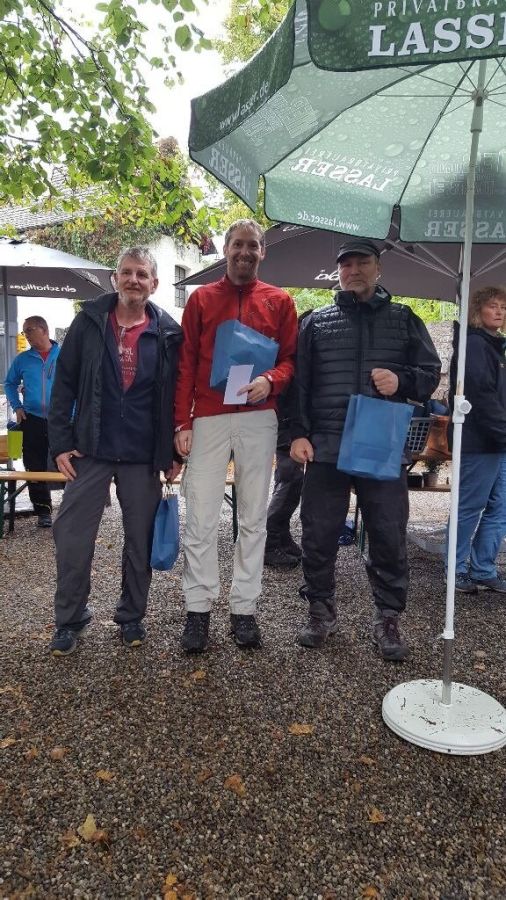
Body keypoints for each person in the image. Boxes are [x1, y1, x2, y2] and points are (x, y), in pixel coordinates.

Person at [290, 238, 441, 660]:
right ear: (338, 272)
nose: (353, 270)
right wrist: (297, 434)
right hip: (326, 444)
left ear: (378, 268)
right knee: (318, 533)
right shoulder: (315, 323)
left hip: (381, 443)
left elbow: (429, 375)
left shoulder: (404, 319)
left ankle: (388, 617)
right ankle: (320, 610)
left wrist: (401, 380)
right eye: (346, 265)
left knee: (388, 533)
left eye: (362, 263)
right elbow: (299, 385)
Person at [47, 247, 183, 656]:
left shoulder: (168, 332)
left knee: (140, 540)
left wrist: (173, 453)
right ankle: (70, 618)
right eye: (127, 272)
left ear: (153, 283)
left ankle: (131, 616)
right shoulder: (89, 322)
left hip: (142, 453)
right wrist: (60, 443)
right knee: (72, 536)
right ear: (115, 278)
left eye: (142, 274)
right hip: (91, 448)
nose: (133, 280)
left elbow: (174, 396)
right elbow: (63, 383)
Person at [174, 218, 298, 652]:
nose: (245, 252)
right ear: (226, 249)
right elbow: (186, 362)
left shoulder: (280, 300)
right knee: (201, 515)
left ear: (263, 251)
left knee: (252, 517)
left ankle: (244, 609)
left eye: (253, 246)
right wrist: (182, 421)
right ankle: (198, 609)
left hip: (259, 416)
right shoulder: (202, 298)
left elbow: (290, 360)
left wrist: (270, 379)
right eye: (237, 245)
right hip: (209, 416)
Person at [447, 286, 506, 594]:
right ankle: (455, 569)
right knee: (469, 507)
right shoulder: (474, 344)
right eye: (493, 306)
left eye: (503, 307)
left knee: (500, 507)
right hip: (479, 441)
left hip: (498, 442)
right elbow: (481, 397)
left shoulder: (495, 347)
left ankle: (483, 567)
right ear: (477, 310)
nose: (499, 312)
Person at [4, 316, 60, 527]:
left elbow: (79, 385)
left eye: (29, 330)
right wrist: (17, 406)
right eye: (24, 331)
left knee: (70, 462)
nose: (25, 335)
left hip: (61, 419)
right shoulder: (22, 359)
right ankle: (43, 510)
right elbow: (9, 383)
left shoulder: (64, 355)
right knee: (34, 465)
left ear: (43, 330)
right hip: (32, 419)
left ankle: (73, 507)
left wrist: (73, 412)